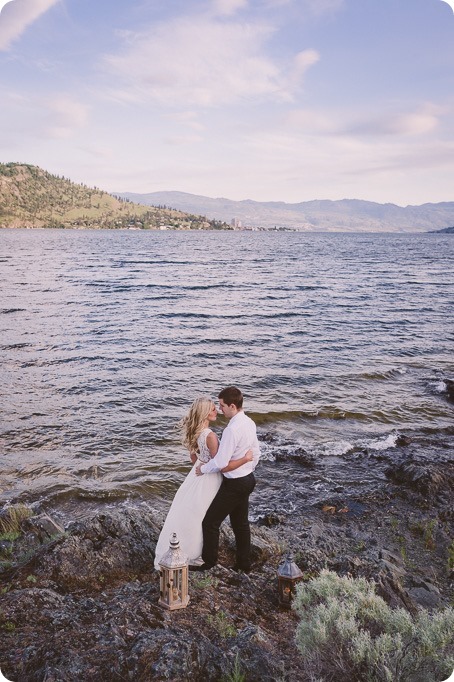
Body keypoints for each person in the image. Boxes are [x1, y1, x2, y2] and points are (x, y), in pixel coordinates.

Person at [154, 397, 253, 570]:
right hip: (209, 479)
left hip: (195, 477)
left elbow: (194, 458)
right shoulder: (211, 436)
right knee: (206, 519)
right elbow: (220, 466)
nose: (217, 412)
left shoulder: (195, 432)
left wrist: (201, 466)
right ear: (205, 413)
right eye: (213, 409)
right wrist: (245, 459)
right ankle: (202, 555)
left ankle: (187, 550)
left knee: (193, 514)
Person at [192, 386, 260, 573]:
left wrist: (203, 469)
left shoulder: (232, 430)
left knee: (210, 522)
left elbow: (221, 462)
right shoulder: (249, 422)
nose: (220, 410)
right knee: (241, 524)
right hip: (248, 480)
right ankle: (243, 565)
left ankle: (209, 563)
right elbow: (256, 452)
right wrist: (247, 467)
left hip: (235, 484)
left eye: (222, 406)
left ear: (232, 406)